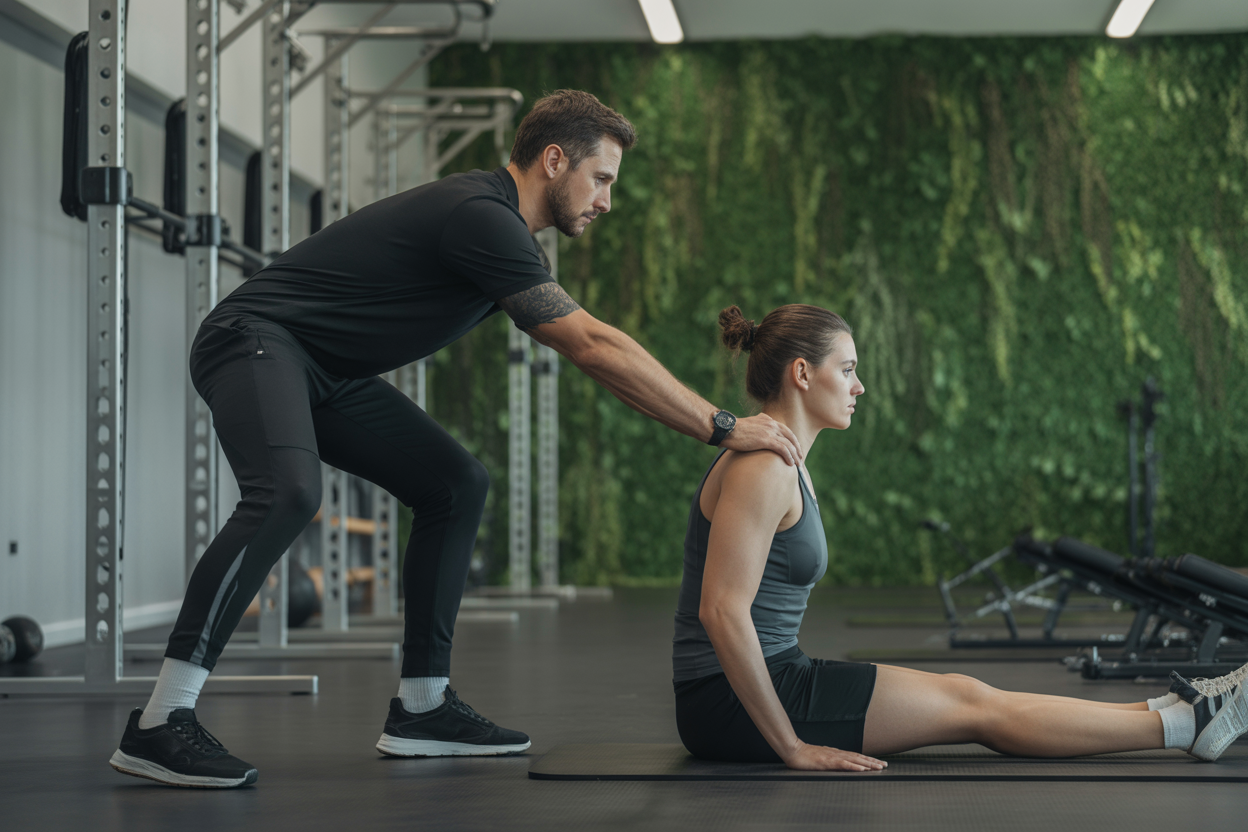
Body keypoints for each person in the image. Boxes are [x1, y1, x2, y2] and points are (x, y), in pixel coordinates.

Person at [109, 90, 805, 789]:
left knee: (454, 484)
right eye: (601, 179)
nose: (606, 202)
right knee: (288, 493)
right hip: (254, 342)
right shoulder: (482, 216)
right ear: (553, 159)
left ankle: (422, 707)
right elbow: (591, 345)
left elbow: (593, 348)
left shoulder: (502, 233)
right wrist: (722, 425)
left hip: (323, 369)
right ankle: (161, 722)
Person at [671, 303, 1248, 771]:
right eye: (847, 369)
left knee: (968, 695)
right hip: (729, 702)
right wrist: (792, 747)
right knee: (975, 707)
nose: (860, 385)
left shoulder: (783, 461)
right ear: (802, 373)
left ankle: (1175, 711)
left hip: (766, 679)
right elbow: (722, 610)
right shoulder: (763, 468)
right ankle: (1186, 725)